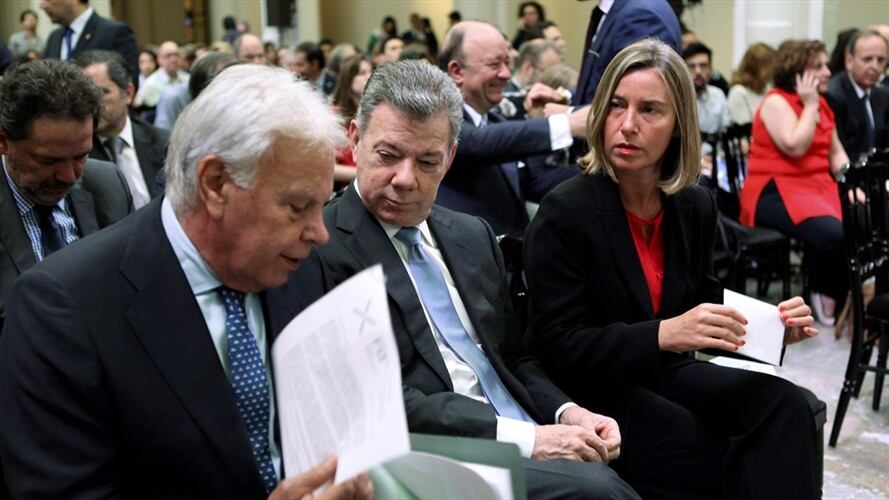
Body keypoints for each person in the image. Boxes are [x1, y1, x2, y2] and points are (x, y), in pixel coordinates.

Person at [0, 63, 373, 500]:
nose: (319, 232)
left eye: (322, 204)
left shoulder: (304, 264)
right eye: (296, 206)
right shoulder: (64, 310)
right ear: (215, 184)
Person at [273, 59, 639, 500]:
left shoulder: (471, 234)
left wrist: (567, 413)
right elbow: (379, 403)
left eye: (427, 161)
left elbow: (514, 358)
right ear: (355, 139)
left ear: (449, 159)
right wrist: (529, 440)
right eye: (387, 156)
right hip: (431, 452)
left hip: (524, 427)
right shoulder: (319, 247)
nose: (404, 179)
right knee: (599, 491)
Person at [525, 39, 821, 499]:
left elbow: (698, 299)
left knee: (788, 408)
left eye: (649, 111)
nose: (627, 126)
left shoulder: (691, 203)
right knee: (700, 443)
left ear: (679, 123)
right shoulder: (566, 209)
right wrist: (662, 333)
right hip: (593, 388)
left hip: (663, 372)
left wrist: (771, 329)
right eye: (617, 106)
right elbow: (557, 345)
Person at [0, 59, 132, 330]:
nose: (69, 176)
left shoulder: (108, 184)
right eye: (49, 161)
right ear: (4, 141)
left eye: (81, 156)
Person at [438, 21, 589, 237]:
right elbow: (479, 143)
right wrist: (569, 124)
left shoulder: (495, 122)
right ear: (457, 71)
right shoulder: (438, 120)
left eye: (508, 63)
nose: (507, 74)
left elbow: (539, 183)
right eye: (494, 65)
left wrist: (602, 166)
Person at [739, 39, 850, 325]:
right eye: (818, 66)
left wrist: (854, 185)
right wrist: (810, 105)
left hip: (816, 187)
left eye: (827, 65)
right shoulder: (776, 101)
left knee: (858, 217)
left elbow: (837, 154)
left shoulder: (822, 105)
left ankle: (847, 295)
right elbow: (794, 145)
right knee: (832, 232)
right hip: (775, 190)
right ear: (798, 72)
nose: (827, 72)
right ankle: (822, 291)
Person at [76, 50, 169, 208]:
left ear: (128, 93)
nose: (90, 104)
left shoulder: (164, 144)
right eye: (82, 94)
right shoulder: (75, 156)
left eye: (100, 93)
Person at [575, 0, 681, 108]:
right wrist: (566, 95)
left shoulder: (641, 15)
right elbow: (596, 88)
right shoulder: (622, 10)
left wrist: (565, 118)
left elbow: (629, 110)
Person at [825, 29, 889, 161]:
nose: (875, 66)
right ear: (849, 61)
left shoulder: (882, 95)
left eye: (881, 60)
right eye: (867, 59)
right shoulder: (833, 95)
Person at [42, 0, 139, 86]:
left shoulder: (114, 32)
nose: (42, 6)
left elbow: (128, 81)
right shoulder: (54, 37)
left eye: (48, 0)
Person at [331, 54, 373, 184]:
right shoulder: (334, 117)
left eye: (371, 71)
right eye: (362, 73)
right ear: (349, 79)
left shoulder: (377, 112)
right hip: (347, 187)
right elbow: (329, 168)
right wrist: (364, 175)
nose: (369, 76)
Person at [683, 42, 730, 134]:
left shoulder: (718, 95)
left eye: (703, 65)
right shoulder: (675, 98)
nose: (698, 71)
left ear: (710, 69)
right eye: (692, 66)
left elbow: (726, 130)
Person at [728, 42, 777, 125]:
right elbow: (744, 128)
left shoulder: (768, 89)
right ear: (755, 67)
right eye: (769, 65)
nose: (773, 69)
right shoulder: (739, 93)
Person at [135, 40, 190, 109]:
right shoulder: (150, 84)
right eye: (168, 55)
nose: (173, 59)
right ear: (159, 59)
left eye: (176, 55)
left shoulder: (188, 79)